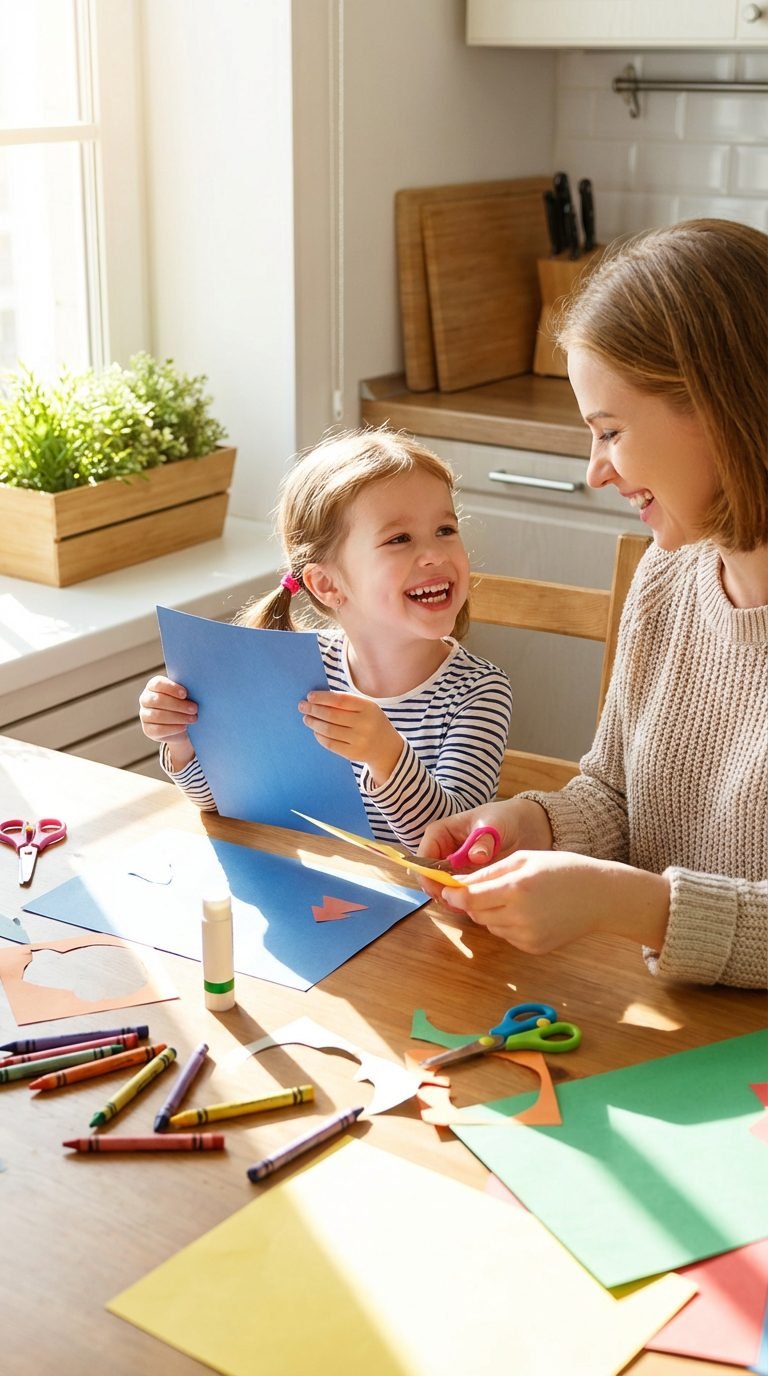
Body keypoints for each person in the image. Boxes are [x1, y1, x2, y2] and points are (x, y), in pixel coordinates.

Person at [418, 218, 768, 989]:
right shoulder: (668, 578)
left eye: (609, 431)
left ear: (721, 405)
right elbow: (615, 795)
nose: (594, 472)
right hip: (659, 1027)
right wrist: (528, 824)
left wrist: (638, 908)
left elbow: (637, 897)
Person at [139, 427, 513, 849]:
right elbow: (225, 807)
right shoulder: (295, 671)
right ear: (327, 585)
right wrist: (182, 740)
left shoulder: (478, 693)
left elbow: (450, 847)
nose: (435, 554)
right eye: (399, 539)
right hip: (312, 892)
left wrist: (386, 755)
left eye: (446, 529)